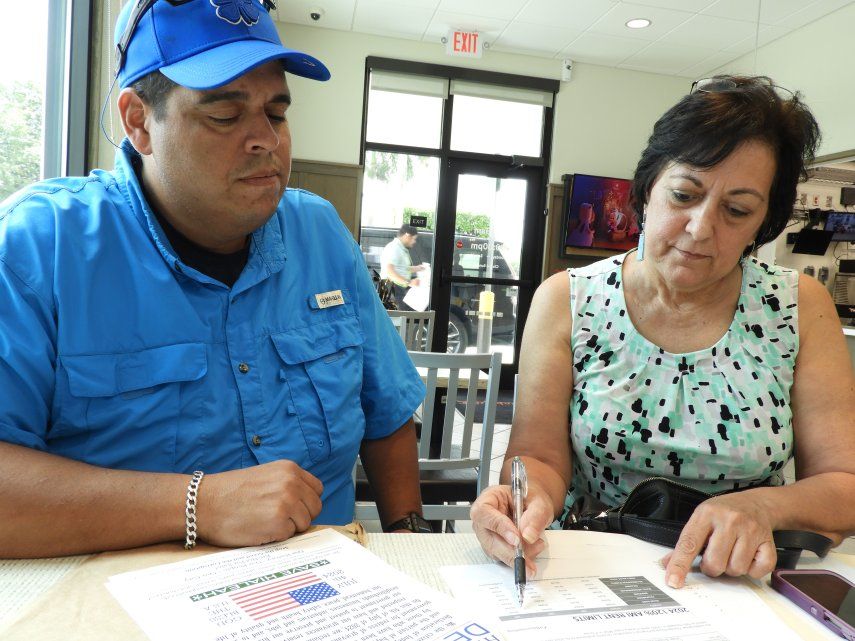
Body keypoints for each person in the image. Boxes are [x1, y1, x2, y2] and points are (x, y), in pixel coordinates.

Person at [0, 0, 433, 558]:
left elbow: (388, 412)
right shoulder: (42, 247)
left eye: (276, 114)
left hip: (325, 598)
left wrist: (408, 533)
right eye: (225, 116)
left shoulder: (320, 233)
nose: (266, 141)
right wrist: (195, 504)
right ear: (138, 121)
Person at [471, 75, 855, 589]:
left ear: (764, 224)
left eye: (736, 210)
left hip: (740, 578)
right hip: (586, 567)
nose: (700, 227)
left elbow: (845, 485)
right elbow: (537, 456)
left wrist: (762, 506)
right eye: (683, 195)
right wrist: (528, 499)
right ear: (646, 190)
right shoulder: (568, 299)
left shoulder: (798, 306)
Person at [380, 224, 425, 310]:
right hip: (392, 290)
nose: (414, 242)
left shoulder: (401, 249)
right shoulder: (394, 248)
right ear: (407, 235)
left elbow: (401, 268)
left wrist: (417, 268)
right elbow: (390, 271)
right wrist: (409, 282)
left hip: (396, 289)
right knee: (399, 318)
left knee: (402, 317)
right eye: (414, 239)